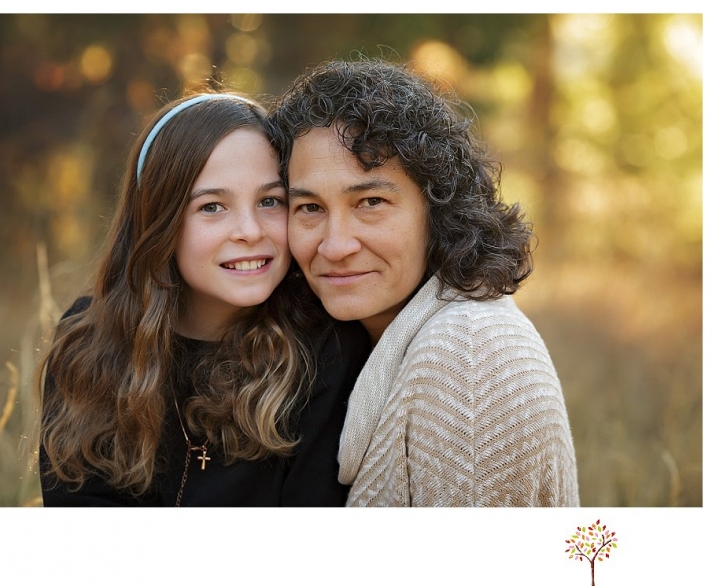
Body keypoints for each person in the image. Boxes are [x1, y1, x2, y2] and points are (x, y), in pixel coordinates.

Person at [269, 58, 580, 506]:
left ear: (437, 207)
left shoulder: (468, 357)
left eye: (371, 202)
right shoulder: (352, 348)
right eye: (310, 208)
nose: (335, 246)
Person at [36, 92, 371, 506]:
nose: (250, 231)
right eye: (212, 206)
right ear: (160, 222)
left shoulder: (326, 349)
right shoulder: (89, 344)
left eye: (270, 201)